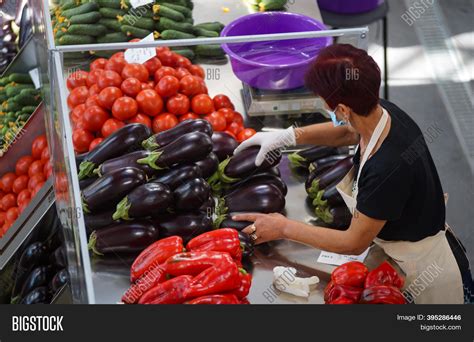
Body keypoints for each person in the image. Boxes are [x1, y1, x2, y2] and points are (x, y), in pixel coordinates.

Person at [233, 44, 472, 304]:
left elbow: (354, 241)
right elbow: (348, 131)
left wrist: (283, 227)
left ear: (344, 110)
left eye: (325, 101)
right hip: (400, 246)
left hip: (423, 273)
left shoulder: (386, 169)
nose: (324, 104)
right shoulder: (380, 110)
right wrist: (288, 136)